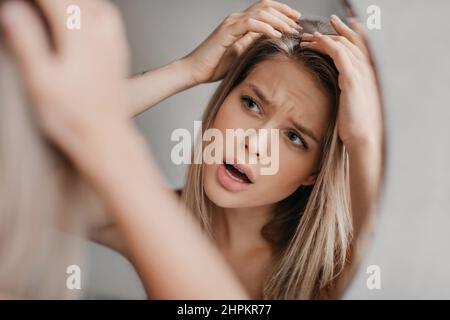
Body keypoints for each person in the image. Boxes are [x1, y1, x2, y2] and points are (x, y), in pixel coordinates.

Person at [0, 0, 383, 299]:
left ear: (314, 172)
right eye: (251, 104)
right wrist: (185, 71)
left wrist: (363, 140)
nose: (254, 142)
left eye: (294, 137)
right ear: (221, 99)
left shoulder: (325, 267)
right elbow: (16, 178)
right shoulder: (154, 215)